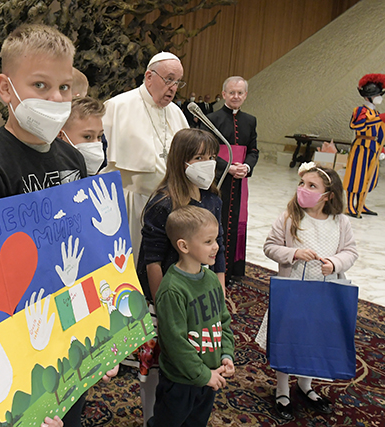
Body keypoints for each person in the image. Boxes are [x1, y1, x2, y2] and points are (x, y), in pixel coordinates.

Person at [0, 23, 117, 427]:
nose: (56, 99)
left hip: (68, 330)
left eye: (64, 87)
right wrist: (15, 388)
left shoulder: (71, 160)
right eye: (40, 85)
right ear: (6, 88)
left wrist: (103, 335)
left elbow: (83, 248)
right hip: (15, 342)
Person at [135, 128, 226, 425]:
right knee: (160, 363)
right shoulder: (163, 203)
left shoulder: (212, 197)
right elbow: (152, 260)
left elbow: (219, 246)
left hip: (200, 290)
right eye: (199, 157)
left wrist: (219, 292)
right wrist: (164, 305)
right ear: (181, 161)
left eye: (211, 157)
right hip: (169, 295)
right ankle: (152, 415)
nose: (207, 163)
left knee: (195, 349)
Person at [257, 163, 358, 420]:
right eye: (302, 184)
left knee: (312, 339)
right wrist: (293, 253)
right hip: (292, 293)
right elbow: (270, 246)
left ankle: (305, 385)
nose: (304, 189)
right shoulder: (290, 218)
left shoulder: (341, 222)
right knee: (288, 338)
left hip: (322, 296)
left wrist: (334, 263)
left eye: (312, 186)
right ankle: (282, 389)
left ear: (329, 195)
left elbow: (351, 251)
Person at [101, 52, 189, 262]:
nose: (173, 88)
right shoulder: (117, 106)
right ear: (149, 76)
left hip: (170, 202)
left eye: (178, 82)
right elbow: (101, 162)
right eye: (169, 79)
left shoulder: (176, 113)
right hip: (131, 203)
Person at [152, 205, 235, 427]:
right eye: (208, 242)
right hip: (180, 381)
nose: (216, 247)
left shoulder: (210, 280)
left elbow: (223, 322)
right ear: (183, 245)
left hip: (209, 375)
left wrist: (226, 354)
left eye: (216, 240)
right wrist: (202, 374)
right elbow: (174, 343)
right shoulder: (172, 290)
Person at [204, 76, 259, 284]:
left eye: (240, 93)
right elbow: (206, 150)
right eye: (232, 92)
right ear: (224, 94)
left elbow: (253, 150)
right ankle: (213, 267)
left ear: (245, 95)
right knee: (216, 220)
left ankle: (231, 269)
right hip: (218, 179)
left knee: (235, 222)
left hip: (240, 180)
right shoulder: (212, 118)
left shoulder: (250, 120)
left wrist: (247, 166)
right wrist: (227, 167)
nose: (236, 96)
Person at [344, 73, 385, 218]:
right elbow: (358, 126)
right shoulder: (361, 110)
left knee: (369, 177)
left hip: (373, 148)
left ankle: (361, 203)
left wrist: (382, 148)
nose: (380, 96)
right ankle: (349, 205)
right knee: (356, 176)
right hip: (361, 147)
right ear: (370, 95)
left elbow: (380, 131)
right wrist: (378, 118)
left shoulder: (376, 112)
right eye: (378, 94)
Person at [58, 96, 105, 175]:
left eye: (99, 136)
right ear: (60, 136)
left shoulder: (101, 181)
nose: (96, 143)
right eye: (87, 137)